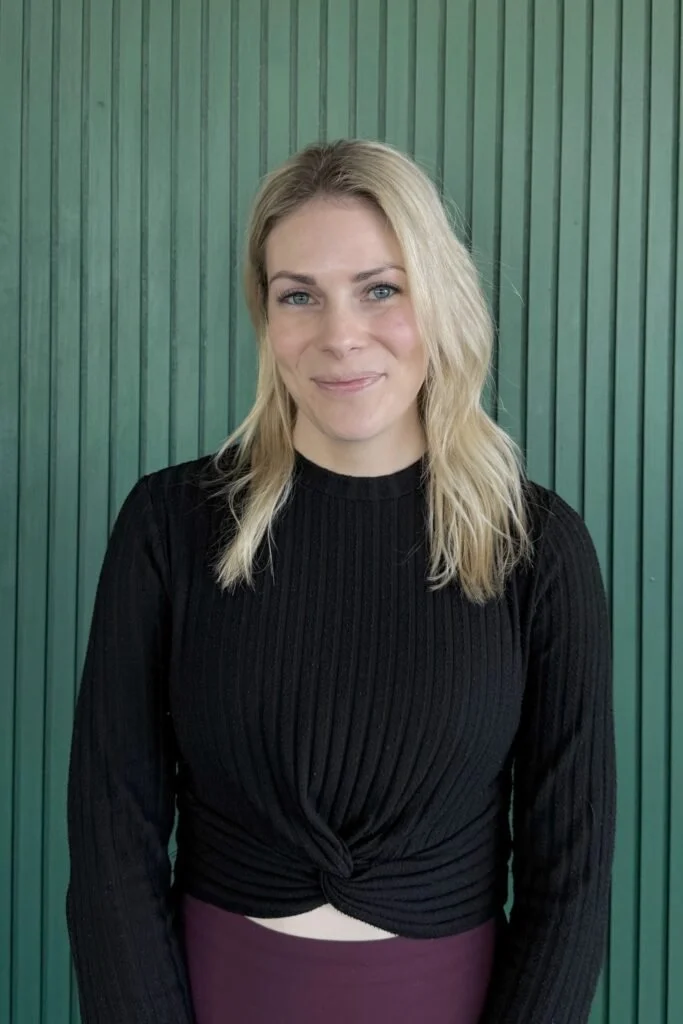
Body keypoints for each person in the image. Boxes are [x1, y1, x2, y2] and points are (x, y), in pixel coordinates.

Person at [66, 138, 616, 1024]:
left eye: (380, 289)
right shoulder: (171, 523)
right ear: (266, 316)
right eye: (299, 297)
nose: (339, 335)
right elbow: (110, 832)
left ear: (436, 299)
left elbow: (572, 873)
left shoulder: (536, 547)